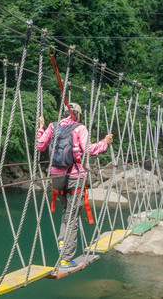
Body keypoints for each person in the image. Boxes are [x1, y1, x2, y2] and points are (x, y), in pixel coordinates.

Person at [36, 102, 112, 268]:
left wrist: (41, 127)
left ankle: (63, 241)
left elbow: (40, 145)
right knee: (73, 217)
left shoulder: (53, 126)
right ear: (77, 115)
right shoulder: (80, 128)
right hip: (74, 177)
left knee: (67, 210)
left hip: (56, 176)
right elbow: (88, 149)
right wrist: (104, 143)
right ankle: (66, 258)